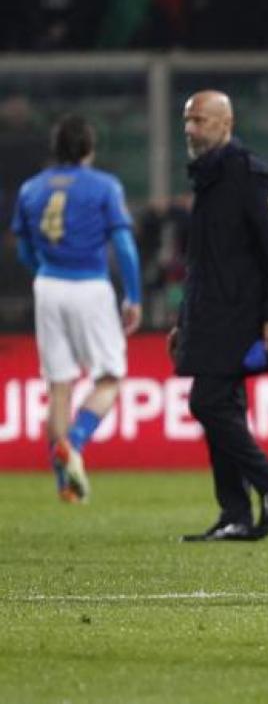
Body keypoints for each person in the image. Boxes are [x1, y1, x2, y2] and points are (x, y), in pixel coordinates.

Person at [171, 90, 268, 542]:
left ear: (226, 125)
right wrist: (183, 321)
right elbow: (203, 263)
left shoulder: (248, 175)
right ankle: (235, 514)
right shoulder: (208, 178)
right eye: (188, 120)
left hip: (241, 316)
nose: (190, 129)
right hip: (210, 314)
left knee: (206, 402)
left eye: (200, 121)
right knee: (222, 408)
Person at [9, 114, 142, 503]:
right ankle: (75, 442)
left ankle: (64, 483)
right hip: (89, 285)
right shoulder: (104, 186)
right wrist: (132, 296)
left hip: (48, 286)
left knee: (59, 388)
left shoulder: (31, 188)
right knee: (110, 379)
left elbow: (22, 249)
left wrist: (47, 273)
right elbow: (124, 245)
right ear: (89, 148)